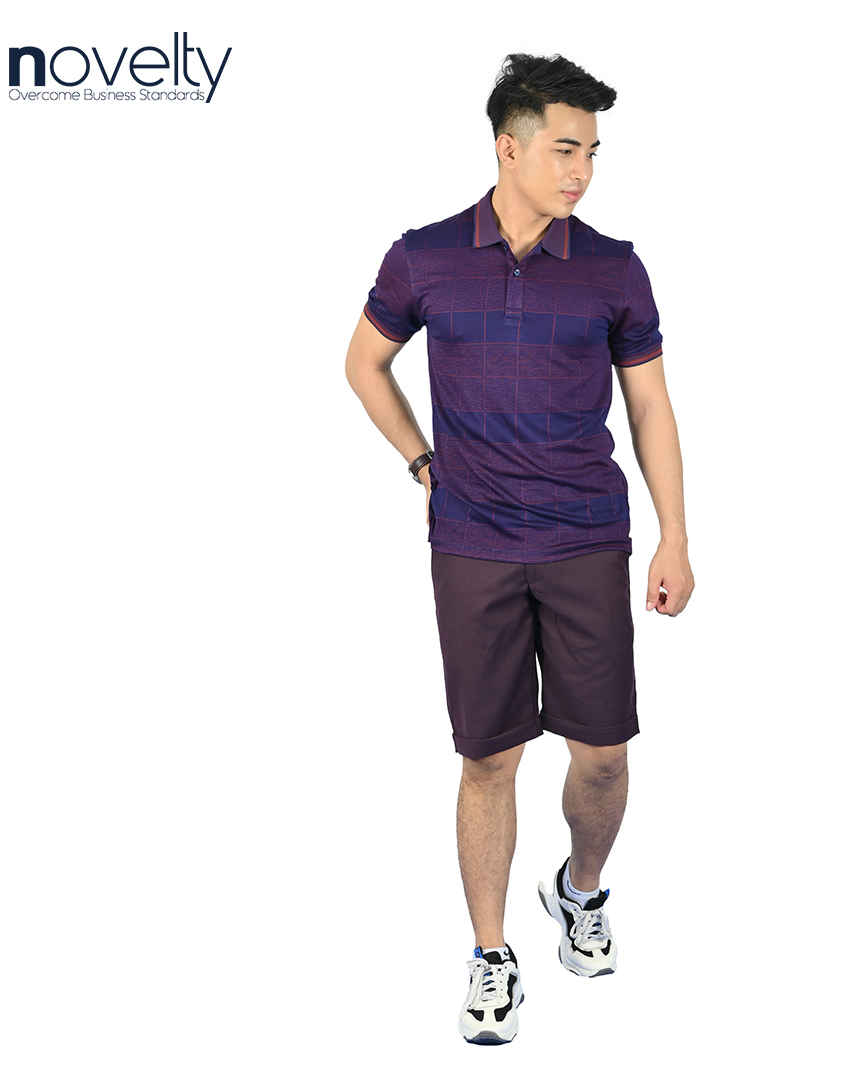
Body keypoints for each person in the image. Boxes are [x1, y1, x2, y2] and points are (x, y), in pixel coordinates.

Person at [346, 53, 693, 1045]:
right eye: (566, 149)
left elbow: (651, 406)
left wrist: (675, 536)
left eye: (594, 152)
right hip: (473, 542)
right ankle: (491, 956)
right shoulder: (423, 257)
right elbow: (363, 363)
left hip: (587, 538)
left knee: (604, 757)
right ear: (510, 147)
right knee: (488, 757)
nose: (583, 170)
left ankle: (579, 890)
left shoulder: (615, 267)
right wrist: (422, 461)